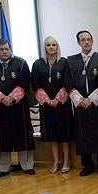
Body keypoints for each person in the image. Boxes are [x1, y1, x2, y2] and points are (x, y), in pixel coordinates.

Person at [0, 39, 36, 177]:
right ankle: (3, 168)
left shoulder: (21, 64)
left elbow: (24, 83)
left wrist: (12, 98)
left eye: (6, 49)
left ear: (10, 49)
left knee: (22, 136)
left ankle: (27, 166)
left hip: (18, 107)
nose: (4, 52)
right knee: (1, 138)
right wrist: (2, 98)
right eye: (1, 49)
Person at [67, 30, 98, 176]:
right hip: (80, 105)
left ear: (92, 41)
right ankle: (87, 164)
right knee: (83, 134)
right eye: (83, 40)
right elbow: (68, 84)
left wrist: (91, 100)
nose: (86, 42)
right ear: (78, 42)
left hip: (97, 104)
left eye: (88, 39)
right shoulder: (71, 61)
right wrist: (80, 100)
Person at [31, 36, 74, 174]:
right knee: (52, 136)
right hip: (46, 106)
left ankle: (67, 161)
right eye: (48, 45)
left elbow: (68, 83)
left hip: (62, 105)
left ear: (57, 47)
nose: (51, 47)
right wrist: (47, 99)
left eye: (54, 45)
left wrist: (58, 99)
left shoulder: (64, 62)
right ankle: (56, 161)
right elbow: (35, 84)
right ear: (45, 47)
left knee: (63, 135)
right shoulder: (37, 64)